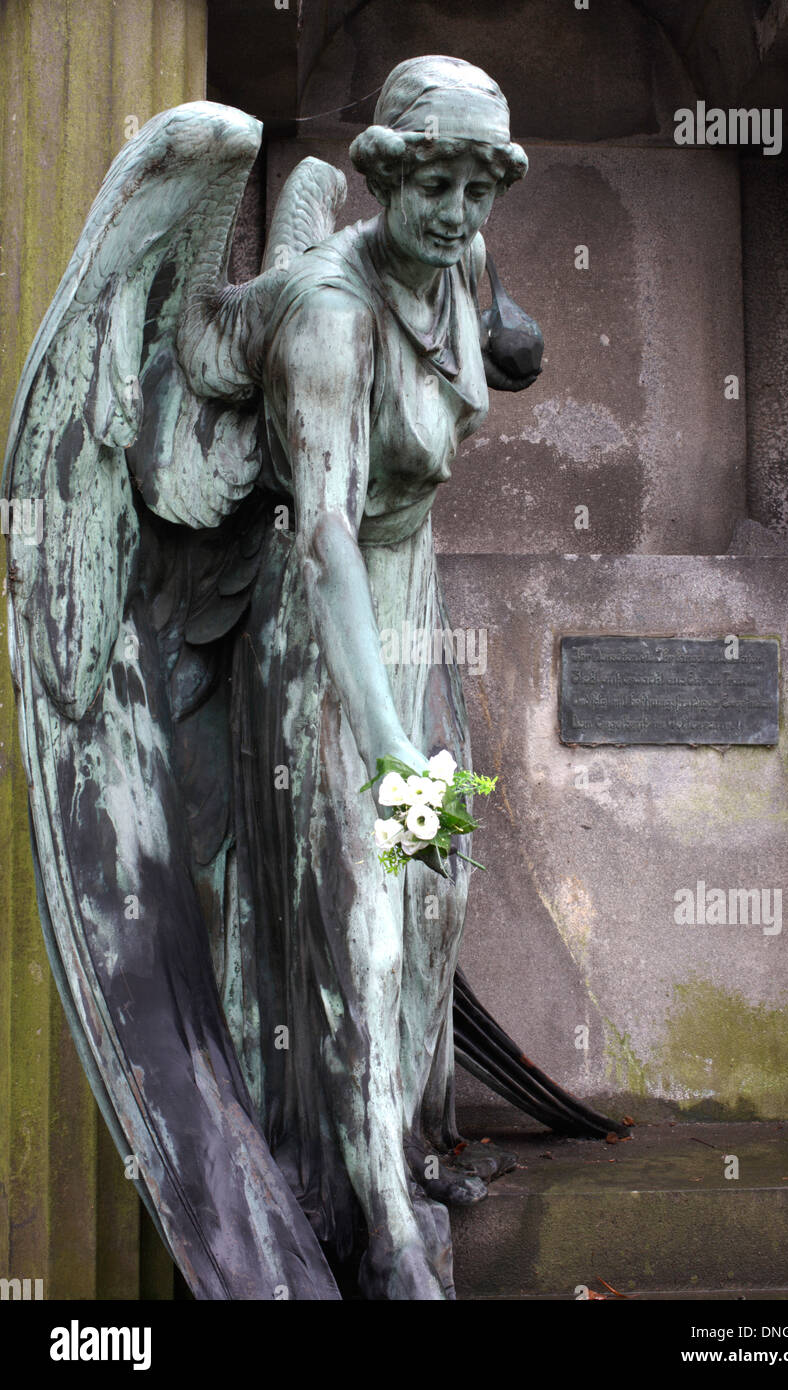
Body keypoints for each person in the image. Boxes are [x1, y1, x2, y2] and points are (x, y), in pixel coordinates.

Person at [231, 55, 535, 1300]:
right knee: (359, 908)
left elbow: (502, 347)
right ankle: (377, 1228)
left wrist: (504, 331)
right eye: (436, 185)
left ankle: (406, 1145)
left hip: (412, 612)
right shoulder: (327, 314)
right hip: (321, 623)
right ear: (385, 173)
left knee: (433, 896)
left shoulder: (455, 259)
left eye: (480, 187)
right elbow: (324, 536)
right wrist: (383, 741)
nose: (460, 212)